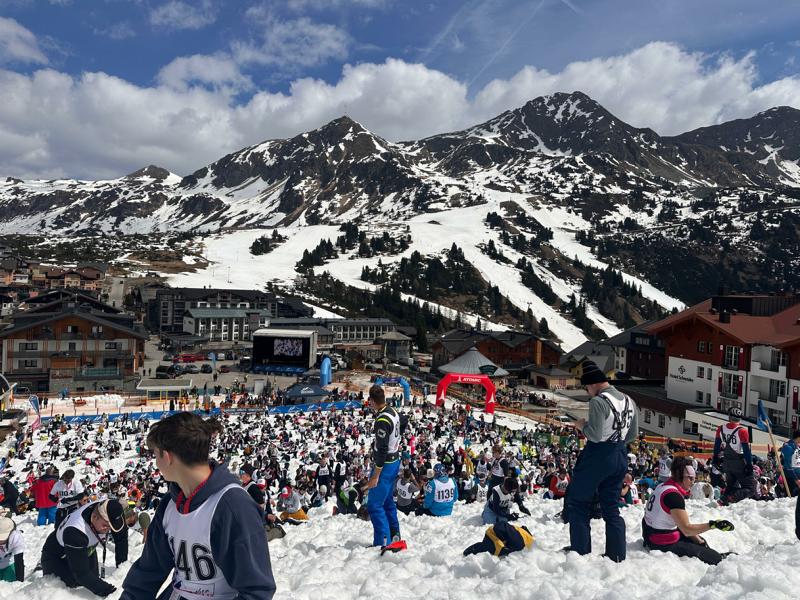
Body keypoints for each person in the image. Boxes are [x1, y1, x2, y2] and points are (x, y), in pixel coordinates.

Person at [120, 412, 276, 600]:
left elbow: (257, 591)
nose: (156, 463)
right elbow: (149, 571)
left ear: (168, 457)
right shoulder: (170, 504)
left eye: (155, 455)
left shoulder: (233, 506)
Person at [566, 360, 638, 562]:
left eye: (586, 387)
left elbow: (595, 435)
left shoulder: (598, 401)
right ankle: (616, 553)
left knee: (579, 503)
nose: (587, 391)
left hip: (598, 455)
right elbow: (632, 434)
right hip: (620, 454)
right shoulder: (628, 400)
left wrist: (582, 426)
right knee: (611, 507)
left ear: (593, 384)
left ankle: (580, 551)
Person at [642, 457, 735, 565]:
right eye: (690, 478)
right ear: (679, 476)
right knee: (712, 557)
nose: (693, 482)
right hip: (660, 541)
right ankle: (719, 560)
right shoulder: (673, 496)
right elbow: (686, 529)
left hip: (650, 533)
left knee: (700, 541)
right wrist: (713, 525)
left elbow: (680, 525)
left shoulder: (662, 486)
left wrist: (699, 541)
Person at [41, 499, 128, 596]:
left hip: (85, 547)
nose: (108, 530)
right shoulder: (75, 532)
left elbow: (121, 538)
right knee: (69, 590)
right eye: (105, 526)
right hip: (56, 556)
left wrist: (122, 568)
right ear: (94, 517)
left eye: (111, 527)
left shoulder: (112, 511)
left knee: (93, 582)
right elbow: (82, 574)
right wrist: (112, 593)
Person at [362, 385, 404, 551]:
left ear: (372, 401)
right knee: (387, 502)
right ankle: (395, 535)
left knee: (374, 505)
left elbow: (381, 450)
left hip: (385, 465)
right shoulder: (392, 411)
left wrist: (375, 476)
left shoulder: (381, 421)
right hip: (394, 461)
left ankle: (382, 542)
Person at [714, 407, 756, 503]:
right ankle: (730, 498)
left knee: (731, 486)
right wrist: (749, 465)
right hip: (739, 463)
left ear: (729, 417)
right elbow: (746, 450)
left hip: (727, 462)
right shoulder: (742, 431)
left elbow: (716, 446)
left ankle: (722, 501)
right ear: (740, 419)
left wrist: (715, 459)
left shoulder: (720, 429)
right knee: (750, 488)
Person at [463, 521, 534, 557]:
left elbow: (523, 528)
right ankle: (470, 551)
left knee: (494, 548)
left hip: (515, 536)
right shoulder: (526, 543)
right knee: (489, 547)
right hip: (494, 532)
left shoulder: (528, 541)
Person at [0, 516, 24, 582]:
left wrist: (20, 582)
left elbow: (19, 560)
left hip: (9, 564)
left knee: (11, 584)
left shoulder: (16, 537)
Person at [780, 430, 800, 497]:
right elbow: (788, 466)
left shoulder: (796, 447)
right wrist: (796, 480)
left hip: (797, 477)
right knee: (790, 500)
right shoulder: (788, 448)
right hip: (792, 479)